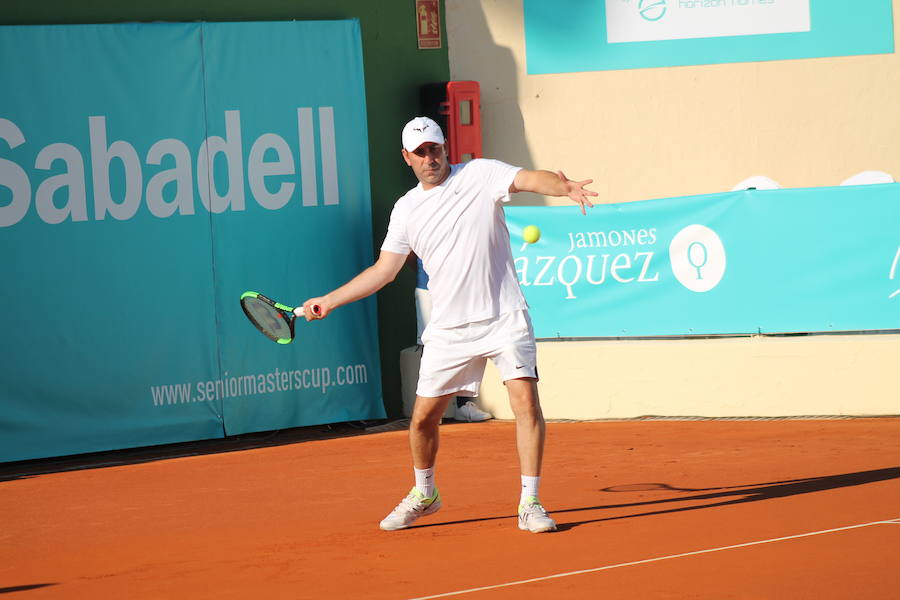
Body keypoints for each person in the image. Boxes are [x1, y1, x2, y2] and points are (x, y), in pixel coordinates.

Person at [297, 116, 596, 533]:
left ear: (444, 147)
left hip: (503, 313)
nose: (429, 158)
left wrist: (562, 187)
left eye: (434, 148)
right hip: (450, 328)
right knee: (422, 420)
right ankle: (425, 492)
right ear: (407, 158)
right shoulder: (405, 210)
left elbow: (529, 179)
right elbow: (385, 270)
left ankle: (530, 503)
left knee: (525, 402)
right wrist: (329, 300)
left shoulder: (480, 174)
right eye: (419, 152)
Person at [412, 254, 492, 422]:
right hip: (427, 288)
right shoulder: (412, 226)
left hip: (460, 287)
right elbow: (407, 254)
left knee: (465, 340)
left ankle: (464, 405)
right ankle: (431, 408)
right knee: (430, 345)